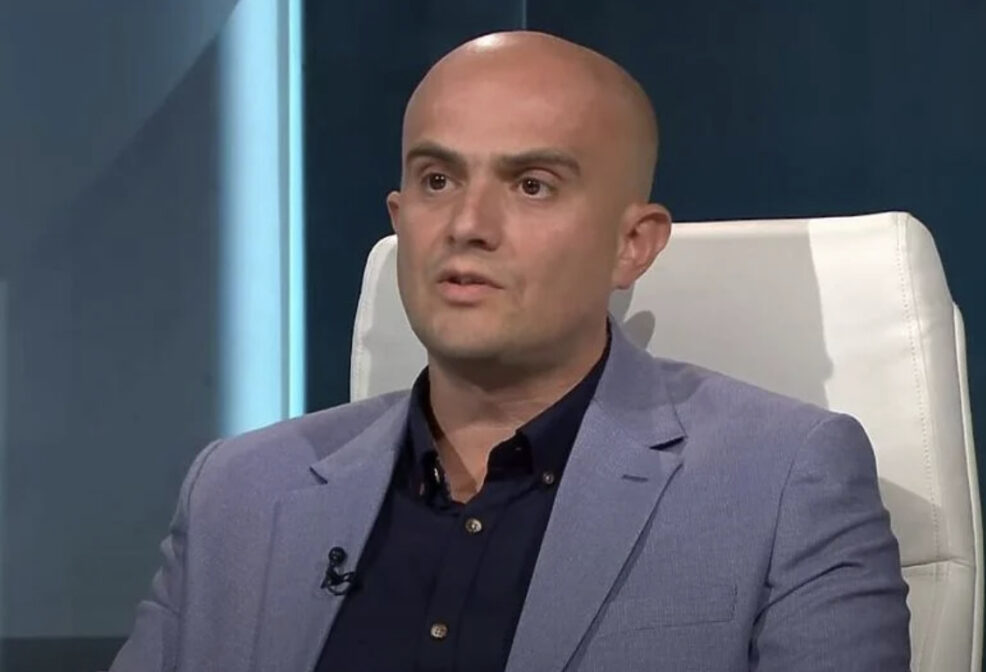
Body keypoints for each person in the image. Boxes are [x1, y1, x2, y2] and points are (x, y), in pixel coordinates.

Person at [110, 31, 910, 672]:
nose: (467, 225)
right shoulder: (237, 493)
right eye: (436, 180)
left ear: (632, 244)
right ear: (399, 218)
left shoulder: (785, 481)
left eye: (532, 185)